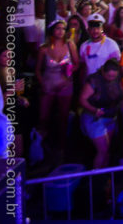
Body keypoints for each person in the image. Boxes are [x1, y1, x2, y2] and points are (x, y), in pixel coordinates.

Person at [36, 19, 79, 161]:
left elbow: (77, 64)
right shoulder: (44, 48)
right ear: (52, 31)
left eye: (63, 28)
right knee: (43, 118)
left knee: (63, 118)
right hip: (48, 85)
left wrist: (68, 76)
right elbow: (37, 70)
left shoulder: (70, 44)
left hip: (65, 86)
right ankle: (40, 147)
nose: (60, 31)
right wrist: (43, 84)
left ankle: (61, 148)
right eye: (58, 28)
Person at [78, 59, 123, 169]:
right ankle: (96, 179)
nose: (111, 79)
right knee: (102, 150)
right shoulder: (94, 80)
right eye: (109, 76)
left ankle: (104, 177)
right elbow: (82, 99)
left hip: (110, 117)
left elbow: (119, 93)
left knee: (107, 150)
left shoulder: (117, 77)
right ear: (103, 72)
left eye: (114, 76)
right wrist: (94, 110)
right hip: (94, 118)